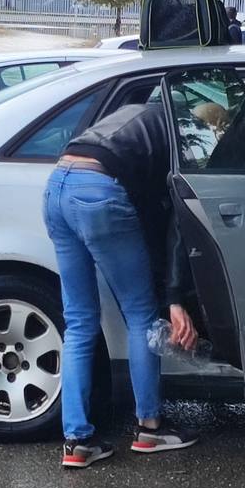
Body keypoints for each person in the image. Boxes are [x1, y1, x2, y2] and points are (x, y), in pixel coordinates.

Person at [43, 102, 199, 468]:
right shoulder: (180, 136)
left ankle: (77, 441)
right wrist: (174, 297)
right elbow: (171, 215)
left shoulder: (133, 112)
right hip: (96, 191)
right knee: (141, 316)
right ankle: (150, 427)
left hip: (55, 188)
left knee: (79, 321)